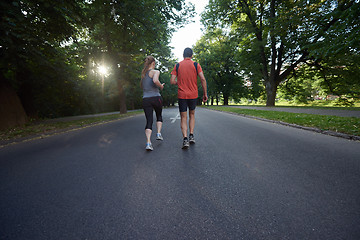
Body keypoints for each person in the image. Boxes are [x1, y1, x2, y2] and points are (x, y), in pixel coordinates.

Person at [170, 47, 208, 149]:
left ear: (183, 55)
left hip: (182, 95)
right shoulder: (196, 65)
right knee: (192, 115)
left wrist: (179, 82)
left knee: (183, 117)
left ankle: (185, 139)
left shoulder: (177, 65)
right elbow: (203, 79)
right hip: (193, 95)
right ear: (191, 55)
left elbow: (172, 81)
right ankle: (191, 135)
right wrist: (205, 94)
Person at [141, 56, 165, 151]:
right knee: (159, 116)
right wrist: (161, 86)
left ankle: (148, 143)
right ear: (153, 63)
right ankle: (158, 133)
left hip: (146, 99)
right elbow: (155, 80)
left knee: (149, 121)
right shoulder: (155, 71)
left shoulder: (143, 75)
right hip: (156, 98)